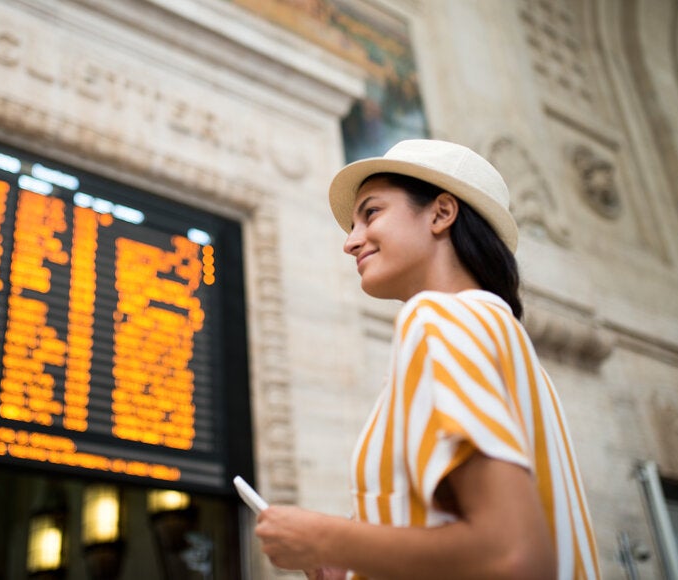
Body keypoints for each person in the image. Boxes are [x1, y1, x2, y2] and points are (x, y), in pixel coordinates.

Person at [255, 140, 601, 580]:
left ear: (441, 213)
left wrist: (325, 537)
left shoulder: (437, 318)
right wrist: (354, 566)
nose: (350, 241)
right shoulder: (510, 348)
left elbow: (513, 555)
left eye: (371, 213)